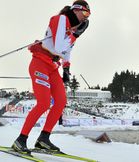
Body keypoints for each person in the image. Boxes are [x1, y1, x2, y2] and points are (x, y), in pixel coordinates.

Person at [12, 0, 90, 154]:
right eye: (85, 13)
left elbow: (67, 51)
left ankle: (43, 139)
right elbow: (60, 46)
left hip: (53, 67)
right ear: (76, 10)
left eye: (89, 16)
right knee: (43, 103)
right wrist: (75, 34)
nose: (86, 18)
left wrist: (66, 69)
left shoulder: (72, 27)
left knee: (61, 101)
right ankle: (20, 140)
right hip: (40, 63)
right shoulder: (61, 19)